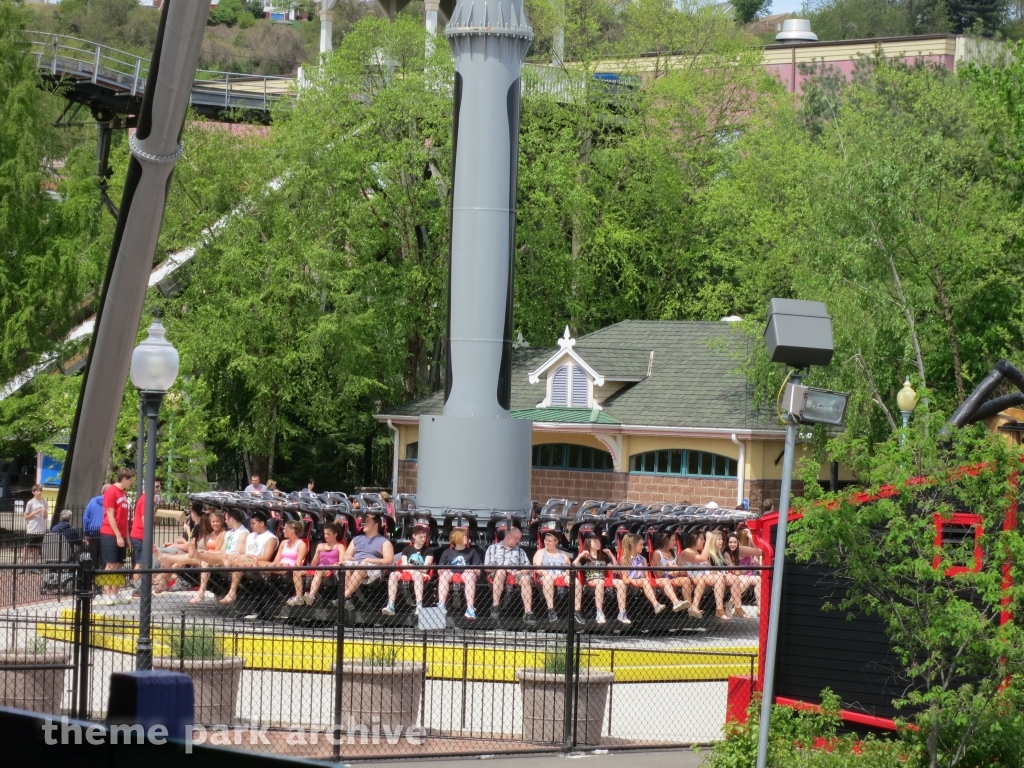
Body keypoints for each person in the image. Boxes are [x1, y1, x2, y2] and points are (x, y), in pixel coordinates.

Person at [153, 511, 223, 595]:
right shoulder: (211, 534)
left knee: (180, 558)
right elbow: (206, 547)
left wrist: (205, 552)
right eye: (213, 521)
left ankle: (161, 575)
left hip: (211, 558)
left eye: (217, 521)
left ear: (222, 522)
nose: (215, 523)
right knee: (178, 558)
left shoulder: (222, 534)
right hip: (203, 556)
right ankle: (162, 577)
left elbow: (217, 551)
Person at [220, 511, 277, 604]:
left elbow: (266, 557)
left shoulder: (270, 538)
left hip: (256, 561)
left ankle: (232, 592)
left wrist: (248, 556)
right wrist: (238, 555)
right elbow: (242, 552)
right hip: (245, 559)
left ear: (262, 523)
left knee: (237, 564)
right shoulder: (250, 536)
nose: (251, 526)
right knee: (231, 558)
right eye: (250, 523)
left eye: (253, 523)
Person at [341, 512, 394, 610]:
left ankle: (343, 597)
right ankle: (347, 599)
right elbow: (345, 555)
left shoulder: (384, 542)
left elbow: (389, 561)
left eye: (367, 522)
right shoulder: (356, 539)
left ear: (375, 525)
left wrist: (373, 560)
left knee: (363, 565)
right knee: (345, 565)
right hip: (357, 564)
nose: (363, 524)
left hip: (373, 567)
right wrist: (348, 557)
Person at [98, 469, 135, 605]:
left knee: (119, 564)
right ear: (124, 479)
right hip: (109, 533)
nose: (131, 482)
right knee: (110, 564)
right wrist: (118, 536)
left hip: (121, 534)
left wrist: (127, 537)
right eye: (130, 479)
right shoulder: (111, 492)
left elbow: (124, 518)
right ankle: (107, 594)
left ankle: (116, 592)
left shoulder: (124, 494)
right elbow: (110, 515)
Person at [613, 533, 666, 624]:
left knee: (647, 580)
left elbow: (646, 576)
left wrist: (646, 580)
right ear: (633, 546)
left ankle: (656, 604)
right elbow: (625, 578)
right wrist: (634, 580)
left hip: (643, 582)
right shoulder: (624, 559)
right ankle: (655, 604)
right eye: (641, 544)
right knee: (644, 580)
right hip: (631, 584)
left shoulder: (643, 559)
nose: (643, 547)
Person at [383, 524, 434, 616]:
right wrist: (410, 568)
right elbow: (403, 565)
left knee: (417, 575)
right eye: (421, 536)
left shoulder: (429, 550)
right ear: (414, 536)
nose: (423, 539)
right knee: (393, 575)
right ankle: (391, 604)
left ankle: (419, 605)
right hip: (407, 571)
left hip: (419, 574)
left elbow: (425, 569)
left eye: (424, 537)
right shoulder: (406, 549)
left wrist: (410, 567)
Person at [484, 526, 533, 620]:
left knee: (526, 578)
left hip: (516, 574)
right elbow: (487, 567)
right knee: (501, 572)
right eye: (516, 538)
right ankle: (495, 607)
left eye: (519, 539)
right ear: (508, 535)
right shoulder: (493, 548)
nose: (518, 541)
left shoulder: (520, 551)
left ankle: (528, 612)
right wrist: (505, 569)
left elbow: (528, 567)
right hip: (498, 573)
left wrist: (519, 572)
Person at [437, 528, 482, 619]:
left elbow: (479, 572)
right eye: (463, 536)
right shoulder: (447, 552)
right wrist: (445, 569)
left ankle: (470, 609)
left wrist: (472, 569)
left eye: (466, 536)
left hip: (466, 574)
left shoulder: (472, 551)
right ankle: (441, 605)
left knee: (469, 575)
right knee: (444, 574)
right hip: (451, 573)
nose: (466, 538)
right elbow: (439, 571)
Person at [685, 530, 729, 620]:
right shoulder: (686, 552)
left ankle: (725, 608)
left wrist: (718, 572)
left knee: (727, 577)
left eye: (704, 539)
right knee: (719, 578)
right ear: (694, 540)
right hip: (693, 578)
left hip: (705, 577)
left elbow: (709, 567)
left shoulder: (699, 552)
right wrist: (709, 540)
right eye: (702, 539)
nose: (704, 541)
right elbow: (702, 559)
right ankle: (719, 609)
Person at [572, 532, 613, 624]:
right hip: (590, 581)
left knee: (609, 582)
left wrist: (611, 556)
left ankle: (622, 613)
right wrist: (580, 555)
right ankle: (599, 612)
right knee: (600, 582)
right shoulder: (585, 557)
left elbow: (616, 569)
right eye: (595, 541)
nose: (598, 543)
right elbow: (573, 565)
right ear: (588, 543)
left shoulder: (603, 557)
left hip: (602, 579)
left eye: (599, 541)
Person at [302, 522, 344, 606]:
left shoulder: (340, 546)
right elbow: (313, 564)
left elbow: (342, 561)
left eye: (328, 534)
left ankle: (311, 595)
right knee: (309, 571)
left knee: (319, 570)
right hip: (320, 568)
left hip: (332, 569)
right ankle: (300, 597)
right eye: (325, 534)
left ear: (335, 534)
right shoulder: (320, 545)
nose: (325, 536)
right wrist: (317, 552)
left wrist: (336, 564)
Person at [533, 530, 571, 622]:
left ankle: (576, 610)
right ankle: (551, 610)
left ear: (556, 542)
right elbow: (537, 568)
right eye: (545, 540)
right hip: (546, 576)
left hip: (561, 576)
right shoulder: (541, 552)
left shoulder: (563, 554)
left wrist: (565, 573)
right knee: (548, 579)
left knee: (575, 581)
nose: (546, 542)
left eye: (550, 541)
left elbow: (569, 567)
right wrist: (548, 574)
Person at [724, 531, 763, 619]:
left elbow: (759, 551)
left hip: (744, 574)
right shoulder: (727, 553)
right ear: (727, 543)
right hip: (733, 575)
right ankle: (732, 604)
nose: (733, 544)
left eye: (735, 542)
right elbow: (736, 572)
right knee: (745, 580)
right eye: (730, 542)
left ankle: (760, 608)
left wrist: (751, 538)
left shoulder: (740, 549)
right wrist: (748, 568)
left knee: (759, 579)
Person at [129, 480, 161, 585]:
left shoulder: (149, 499)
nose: (158, 489)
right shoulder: (146, 498)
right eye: (156, 486)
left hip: (140, 535)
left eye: (159, 486)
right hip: (140, 535)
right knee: (140, 562)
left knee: (144, 561)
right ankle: (136, 584)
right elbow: (144, 519)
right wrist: (148, 537)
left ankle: (140, 584)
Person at [650, 532, 691, 613]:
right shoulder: (657, 553)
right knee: (666, 580)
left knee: (686, 580)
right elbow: (658, 574)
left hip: (674, 578)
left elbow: (684, 572)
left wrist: (677, 569)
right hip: (662, 579)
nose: (675, 542)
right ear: (666, 541)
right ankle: (676, 602)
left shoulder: (675, 552)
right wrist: (666, 568)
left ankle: (690, 608)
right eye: (673, 540)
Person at [274, 521, 308, 605]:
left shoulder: (302, 545)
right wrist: (278, 565)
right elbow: (276, 560)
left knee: (294, 571)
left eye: (285, 528)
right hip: (278, 566)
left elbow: (298, 564)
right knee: (263, 564)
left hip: (291, 568)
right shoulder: (283, 542)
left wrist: (286, 566)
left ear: (292, 530)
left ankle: (299, 597)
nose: (283, 530)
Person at [82, 484, 110, 566]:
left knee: (94, 556)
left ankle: (93, 575)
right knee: (105, 558)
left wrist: (86, 533)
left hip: (93, 532)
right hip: (107, 533)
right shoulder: (111, 503)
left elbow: (86, 518)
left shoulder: (92, 501)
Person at [23, 484, 48, 566]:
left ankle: (35, 565)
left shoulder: (44, 502)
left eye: (40, 491)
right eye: (37, 491)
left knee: (37, 548)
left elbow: (46, 516)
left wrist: (44, 512)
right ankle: (22, 565)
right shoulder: (30, 503)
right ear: (33, 492)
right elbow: (26, 517)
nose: (39, 492)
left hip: (40, 529)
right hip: (32, 529)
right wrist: (35, 512)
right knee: (27, 547)